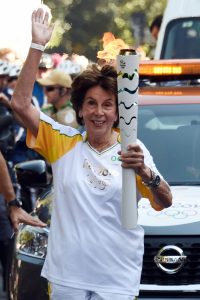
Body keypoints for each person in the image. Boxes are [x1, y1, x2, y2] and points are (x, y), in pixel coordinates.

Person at [11, 8, 172, 300]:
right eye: (91, 104)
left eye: (107, 104)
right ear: (81, 110)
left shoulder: (132, 148)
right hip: (68, 275)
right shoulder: (63, 143)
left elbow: (165, 201)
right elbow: (21, 104)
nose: (99, 112)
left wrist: (145, 173)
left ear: (117, 111)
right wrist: (37, 46)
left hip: (116, 276)